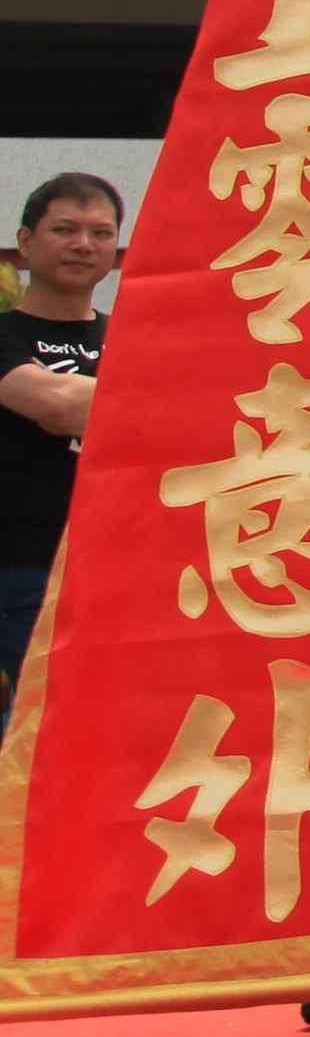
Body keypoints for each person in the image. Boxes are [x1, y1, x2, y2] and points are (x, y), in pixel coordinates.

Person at [0, 171, 121, 711]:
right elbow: (57, 406)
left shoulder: (133, 334)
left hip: (100, 573)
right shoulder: (5, 334)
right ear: (26, 243)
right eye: (65, 229)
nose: (82, 245)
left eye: (100, 233)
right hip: (14, 567)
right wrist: (151, 396)